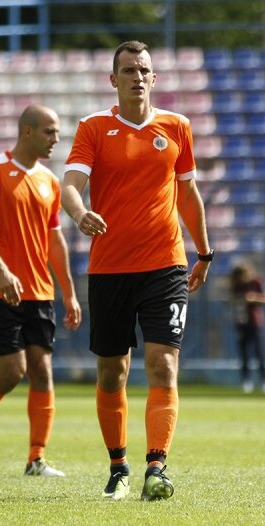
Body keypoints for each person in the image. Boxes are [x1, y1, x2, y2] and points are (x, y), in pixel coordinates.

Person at [61, 40, 213, 501]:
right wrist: (79, 213)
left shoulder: (177, 126)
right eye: (128, 70)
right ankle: (118, 466)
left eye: (144, 70)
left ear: (154, 78)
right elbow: (70, 185)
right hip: (109, 268)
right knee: (113, 372)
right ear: (114, 79)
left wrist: (204, 253)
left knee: (164, 364)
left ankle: (157, 468)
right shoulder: (94, 127)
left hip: (166, 264)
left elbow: (187, 194)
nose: (137, 77)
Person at [0, 104, 81, 477]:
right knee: (12, 370)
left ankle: (36, 459)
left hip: (39, 292)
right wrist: (2, 272)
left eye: (57, 132)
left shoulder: (50, 181)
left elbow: (54, 240)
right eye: (49, 131)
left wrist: (69, 292)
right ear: (27, 131)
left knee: (42, 372)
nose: (56, 139)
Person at [230, 262, 265, 394]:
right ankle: (246, 381)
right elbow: (233, 300)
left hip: (255, 322)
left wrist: (254, 298)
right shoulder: (237, 284)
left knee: (260, 352)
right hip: (241, 322)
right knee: (244, 354)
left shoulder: (258, 282)